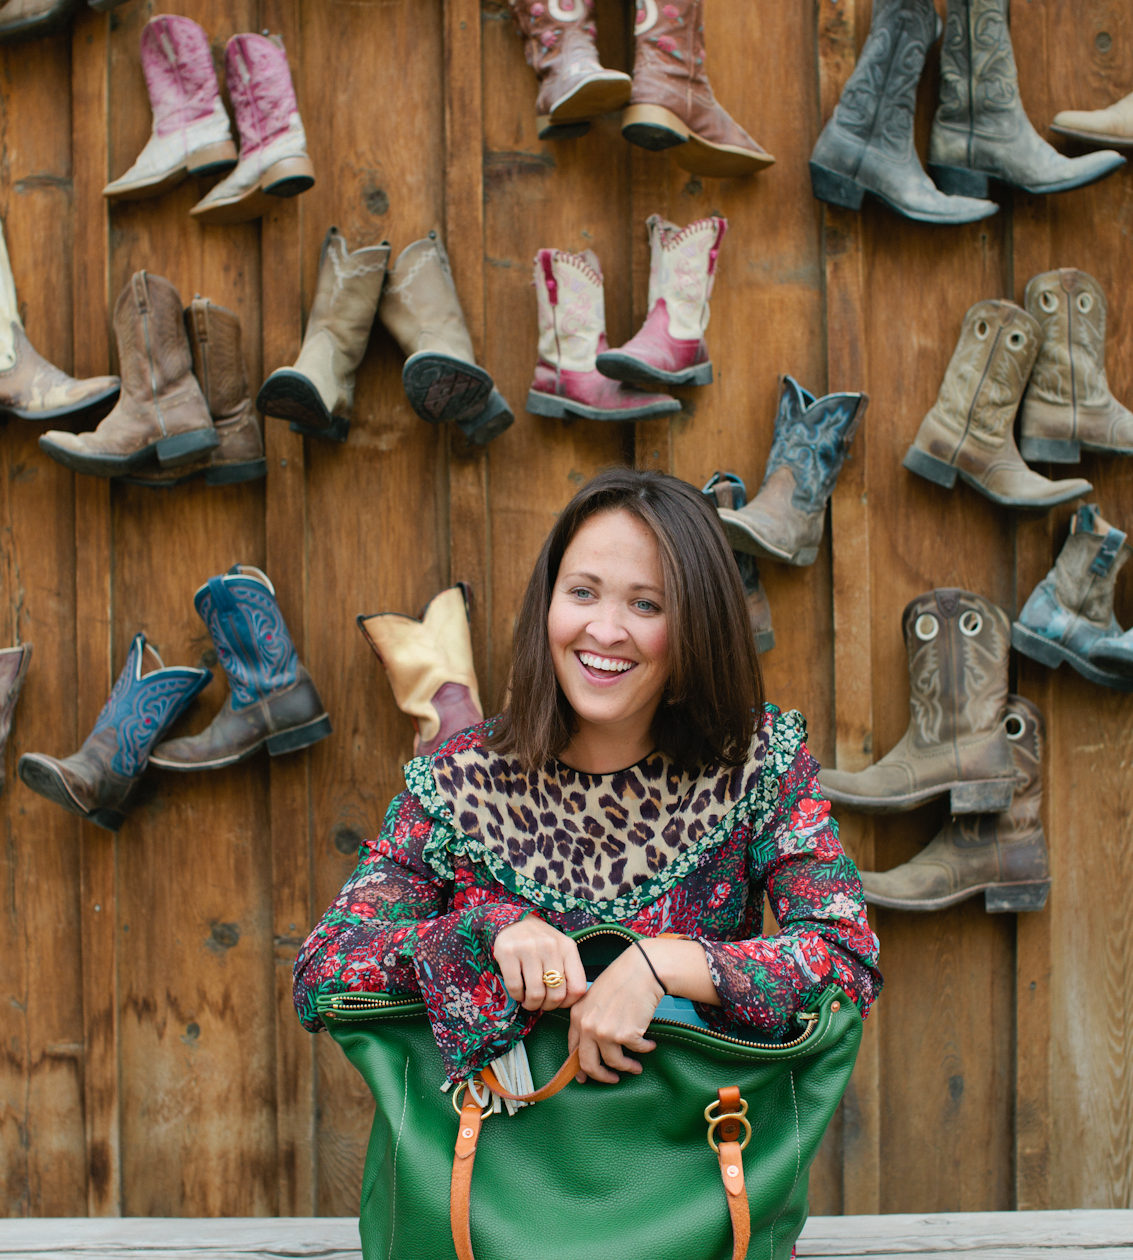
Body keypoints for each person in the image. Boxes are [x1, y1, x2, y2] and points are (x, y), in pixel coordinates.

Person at [293, 467, 880, 1090]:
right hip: (492, 1165)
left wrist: (660, 964)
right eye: (581, 593)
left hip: (701, 1156)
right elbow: (321, 971)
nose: (604, 630)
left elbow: (844, 961)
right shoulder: (457, 784)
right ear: (548, 600)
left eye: (646, 604)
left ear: (695, 626)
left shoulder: (754, 766)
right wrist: (483, 933)